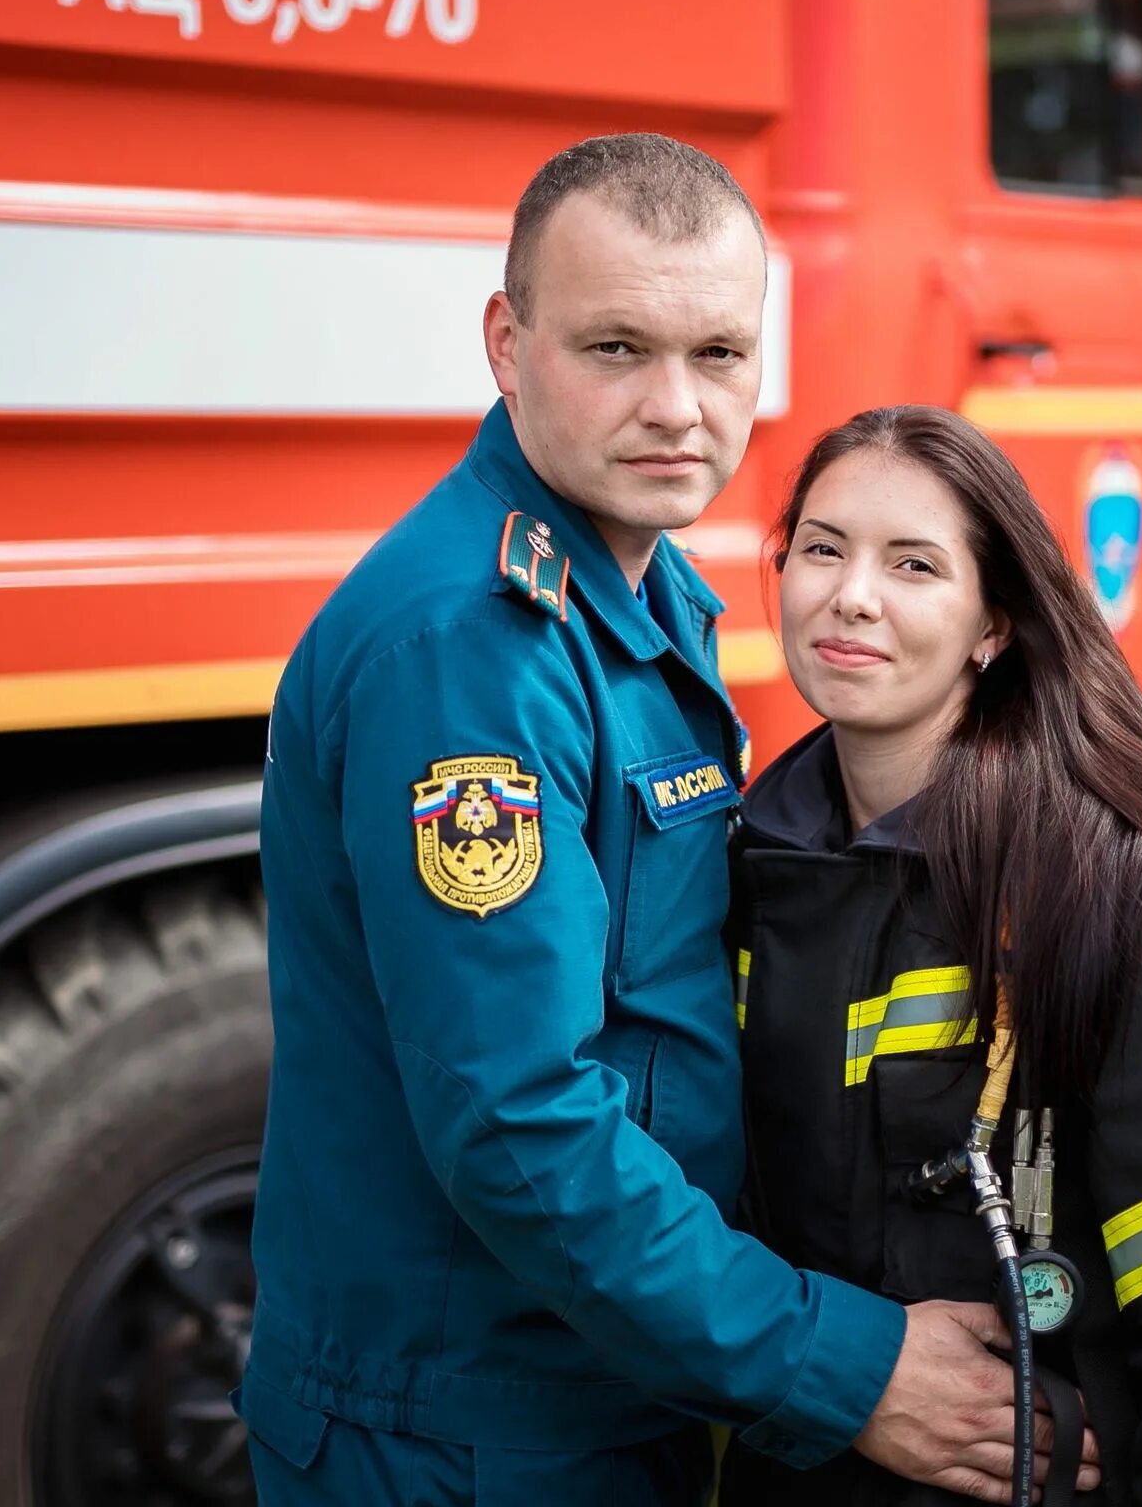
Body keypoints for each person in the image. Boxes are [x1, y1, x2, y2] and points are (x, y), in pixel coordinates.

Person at [245, 138, 1064, 1506]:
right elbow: (519, 1126)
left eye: (722, 354)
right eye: (616, 349)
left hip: (595, 1379)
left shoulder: (634, 585)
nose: (677, 408)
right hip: (463, 1430)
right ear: (508, 344)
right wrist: (844, 1366)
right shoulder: (474, 653)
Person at [721, 405, 1142, 1505]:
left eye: (913, 563)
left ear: (993, 624)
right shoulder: (749, 872)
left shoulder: (1123, 897)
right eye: (821, 547)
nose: (852, 594)